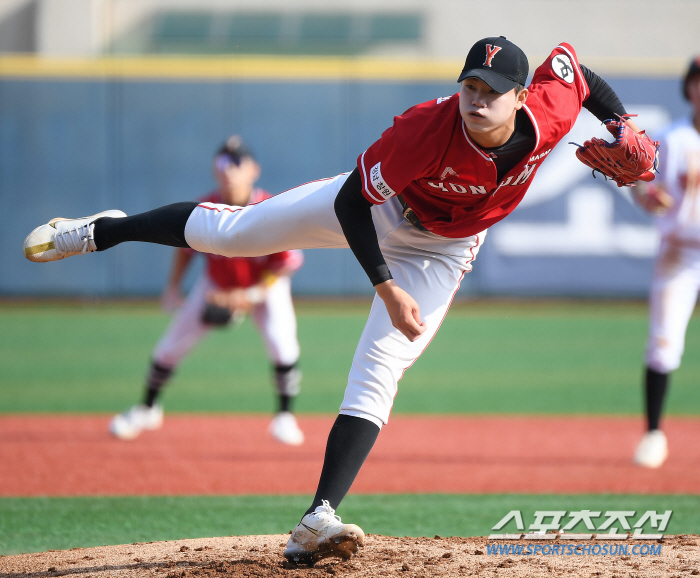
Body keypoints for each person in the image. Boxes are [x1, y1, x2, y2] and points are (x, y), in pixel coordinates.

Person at [23, 37, 654, 563]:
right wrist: (387, 287)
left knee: (381, 370)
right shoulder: (424, 130)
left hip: (445, 249)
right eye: (470, 86)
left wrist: (621, 123)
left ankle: (317, 519)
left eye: (491, 89)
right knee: (232, 232)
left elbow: (577, 70)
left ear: (520, 95)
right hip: (378, 211)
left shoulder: (549, 108)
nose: (477, 99)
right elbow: (354, 203)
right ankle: (101, 231)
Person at [110, 136, 306, 445]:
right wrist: (173, 287)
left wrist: (251, 296)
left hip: (265, 286)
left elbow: (285, 264)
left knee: (283, 347)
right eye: (222, 164)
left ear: (254, 169)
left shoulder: (272, 209)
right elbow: (184, 251)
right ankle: (148, 408)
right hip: (215, 285)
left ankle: (284, 417)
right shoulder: (205, 208)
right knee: (169, 347)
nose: (228, 170)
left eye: (237, 163)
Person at [631, 57, 700, 469]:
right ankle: (654, 434)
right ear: (689, 88)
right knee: (663, 344)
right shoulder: (672, 140)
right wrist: (646, 198)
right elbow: (643, 190)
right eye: (698, 81)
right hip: (680, 252)